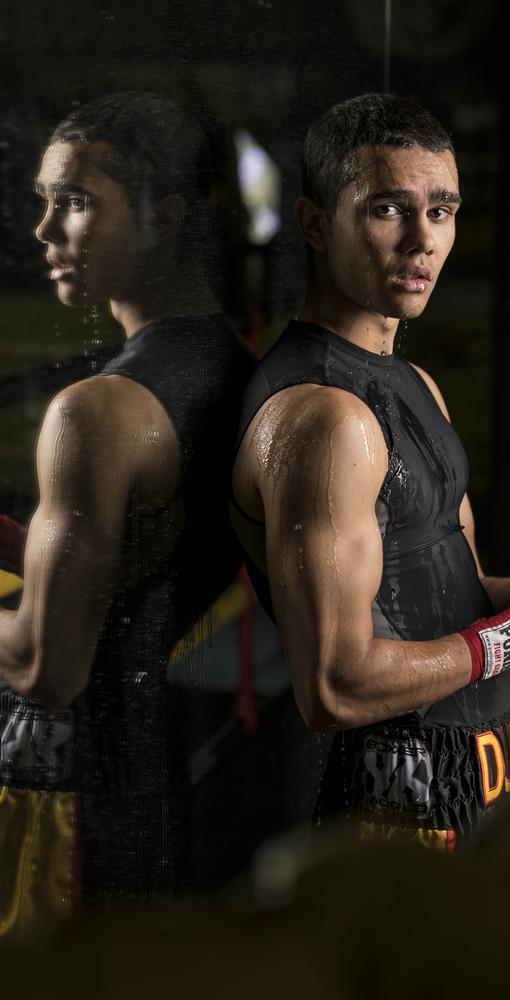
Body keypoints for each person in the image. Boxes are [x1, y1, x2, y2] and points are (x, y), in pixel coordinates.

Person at [231, 93, 510, 848]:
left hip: (484, 773)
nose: (423, 240)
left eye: (442, 210)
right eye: (389, 209)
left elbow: (460, 602)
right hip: (399, 794)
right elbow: (336, 684)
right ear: (316, 223)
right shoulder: (324, 420)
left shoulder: (414, 385)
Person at [0, 92, 254, 925]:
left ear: (165, 213)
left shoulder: (100, 409)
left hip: (70, 811)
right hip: (145, 788)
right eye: (45, 202)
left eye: (73, 203)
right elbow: (138, 560)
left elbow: (48, 664)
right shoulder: (229, 363)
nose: (46, 233)